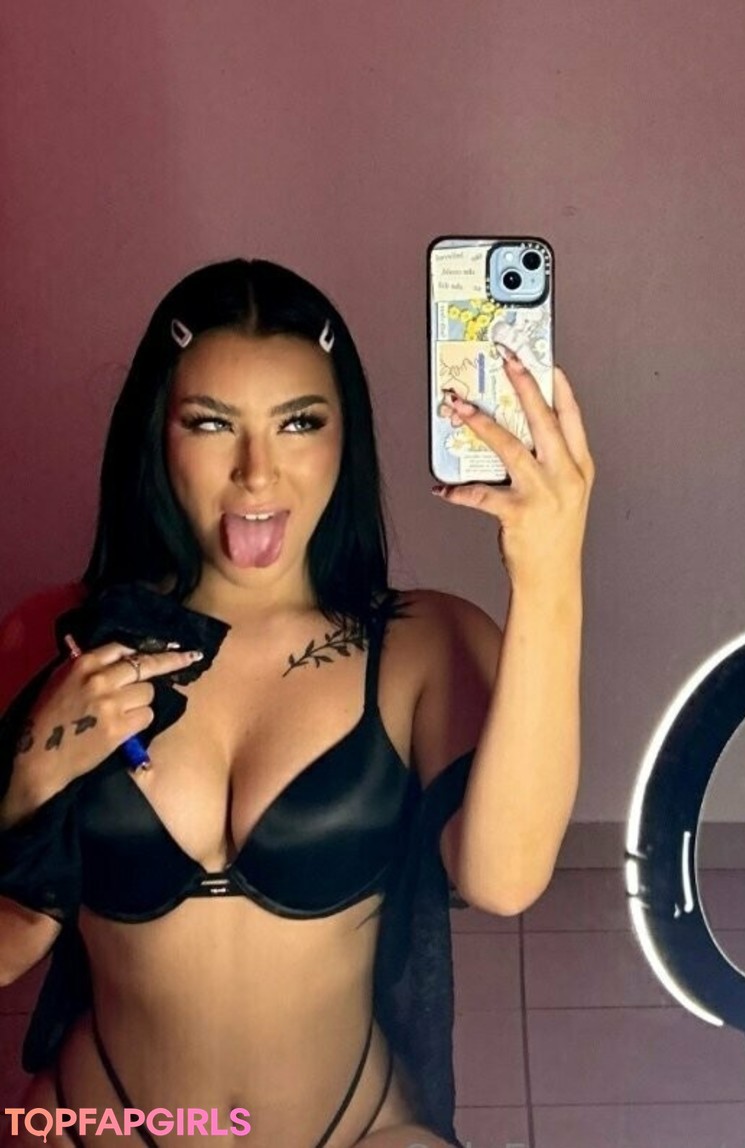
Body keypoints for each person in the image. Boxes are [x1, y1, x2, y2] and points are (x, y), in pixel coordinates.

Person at [0, 259, 593, 1147]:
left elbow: (505, 879)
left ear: (345, 437)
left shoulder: (422, 645)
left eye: (300, 422)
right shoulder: (60, 637)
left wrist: (549, 572)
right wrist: (26, 784)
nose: (257, 472)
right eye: (211, 423)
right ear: (158, 434)